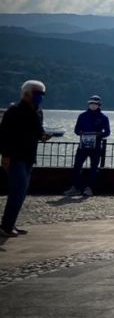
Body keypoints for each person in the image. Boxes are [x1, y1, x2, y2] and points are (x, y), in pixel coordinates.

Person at [0, 80, 51, 237]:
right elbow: (4, 135)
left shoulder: (38, 112)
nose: (40, 97)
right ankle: (6, 227)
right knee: (18, 190)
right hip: (15, 157)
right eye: (37, 94)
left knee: (21, 192)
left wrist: (43, 136)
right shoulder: (13, 111)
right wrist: (5, 156)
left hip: (29, 156)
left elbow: (38, 131)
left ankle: (10, 224)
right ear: (26, 93)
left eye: (42, 94)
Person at [65, 95, 111, 197]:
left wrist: (98, 134)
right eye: (91, 103)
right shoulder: (82, 116)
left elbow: (107, 132)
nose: (93, 105)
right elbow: (76, 130)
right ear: (88, 104)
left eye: (95, 104)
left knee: (94, 168)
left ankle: (89, 188)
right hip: (83, 146)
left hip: (96, 147)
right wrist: (81, 132)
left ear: (99, 105)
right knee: (77, 166)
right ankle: (75, 188)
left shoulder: (103, 118)